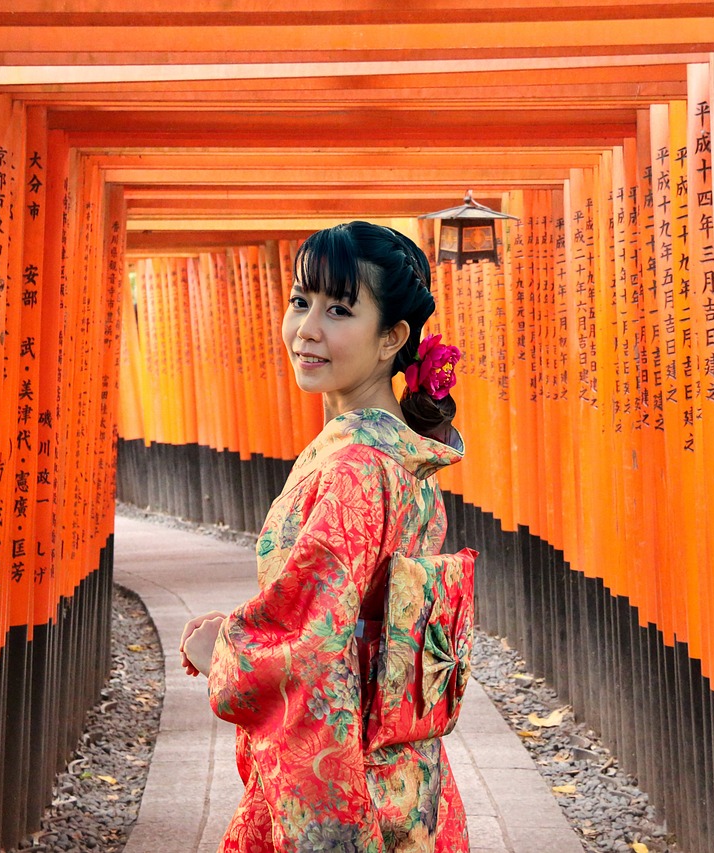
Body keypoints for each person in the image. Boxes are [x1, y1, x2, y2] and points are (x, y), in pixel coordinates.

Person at [180, 221, 469, 852]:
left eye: (339, 309)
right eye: (299, 301)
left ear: (393, 337)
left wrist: (222, 656)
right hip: (410, 784)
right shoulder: (404, 458)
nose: (307, 329)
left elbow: (308, 654)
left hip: (353, 781)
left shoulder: (354, 470)